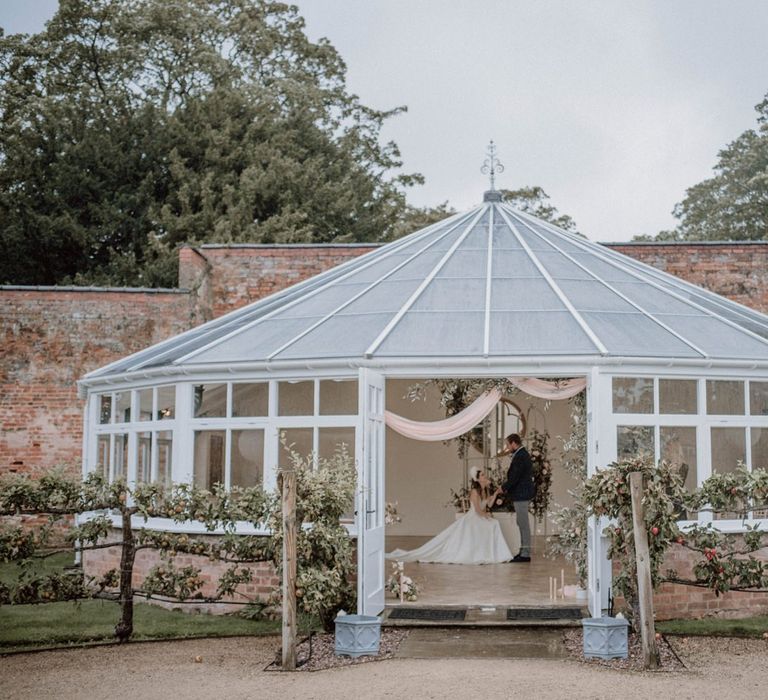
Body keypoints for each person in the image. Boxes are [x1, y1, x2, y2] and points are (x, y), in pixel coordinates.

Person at [386, 467, 513, 564]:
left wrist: (495, 493)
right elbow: (478, 510)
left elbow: (489, 504)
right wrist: (486, 515)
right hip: (473, 517)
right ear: (478, 479)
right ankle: (488, 554)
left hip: (480, 517)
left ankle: (494, 554)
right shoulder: (474, 491)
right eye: (483, 475)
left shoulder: (485, 490)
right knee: (492, 524)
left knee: (494, 524)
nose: (485, 476)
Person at [500, 433, 535, 562]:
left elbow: (515, 477)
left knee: (523, 523)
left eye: (508, 445)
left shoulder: (521, 456)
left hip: (521, 494)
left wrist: (503, 488)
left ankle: (525, 553)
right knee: (521, 522)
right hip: (520, 493)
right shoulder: (521, 454)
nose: (507, 447)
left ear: (514, 443)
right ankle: (523, 550)